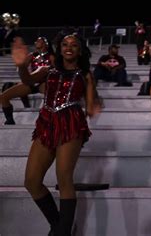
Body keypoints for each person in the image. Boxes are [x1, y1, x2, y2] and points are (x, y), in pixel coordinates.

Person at [11, 35, 100, 236]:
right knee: (31, 181)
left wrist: (94, 106)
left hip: (70, 122)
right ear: (59, 48)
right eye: (65, 45)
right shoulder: (46, 70)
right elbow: (28, 81)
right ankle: (58, 225)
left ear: (80, 50)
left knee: (64, 178)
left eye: (74, 45)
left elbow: (90, 102)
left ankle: (63, 232)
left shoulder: (85, 74)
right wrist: (23, 66)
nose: (69, 48)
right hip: (46, 122)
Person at [1, 37, 55, 124]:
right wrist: (20, 65)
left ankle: (51, 120)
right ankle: (10, 120)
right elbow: (22, 67)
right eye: (36, 41)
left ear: (45, 44)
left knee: (51, 95)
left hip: (45, 82)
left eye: (39, 41)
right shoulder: (32, 55)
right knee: (3, 97)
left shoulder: (51, 56)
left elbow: (56, 70)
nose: (36, 42)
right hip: (31, 81)